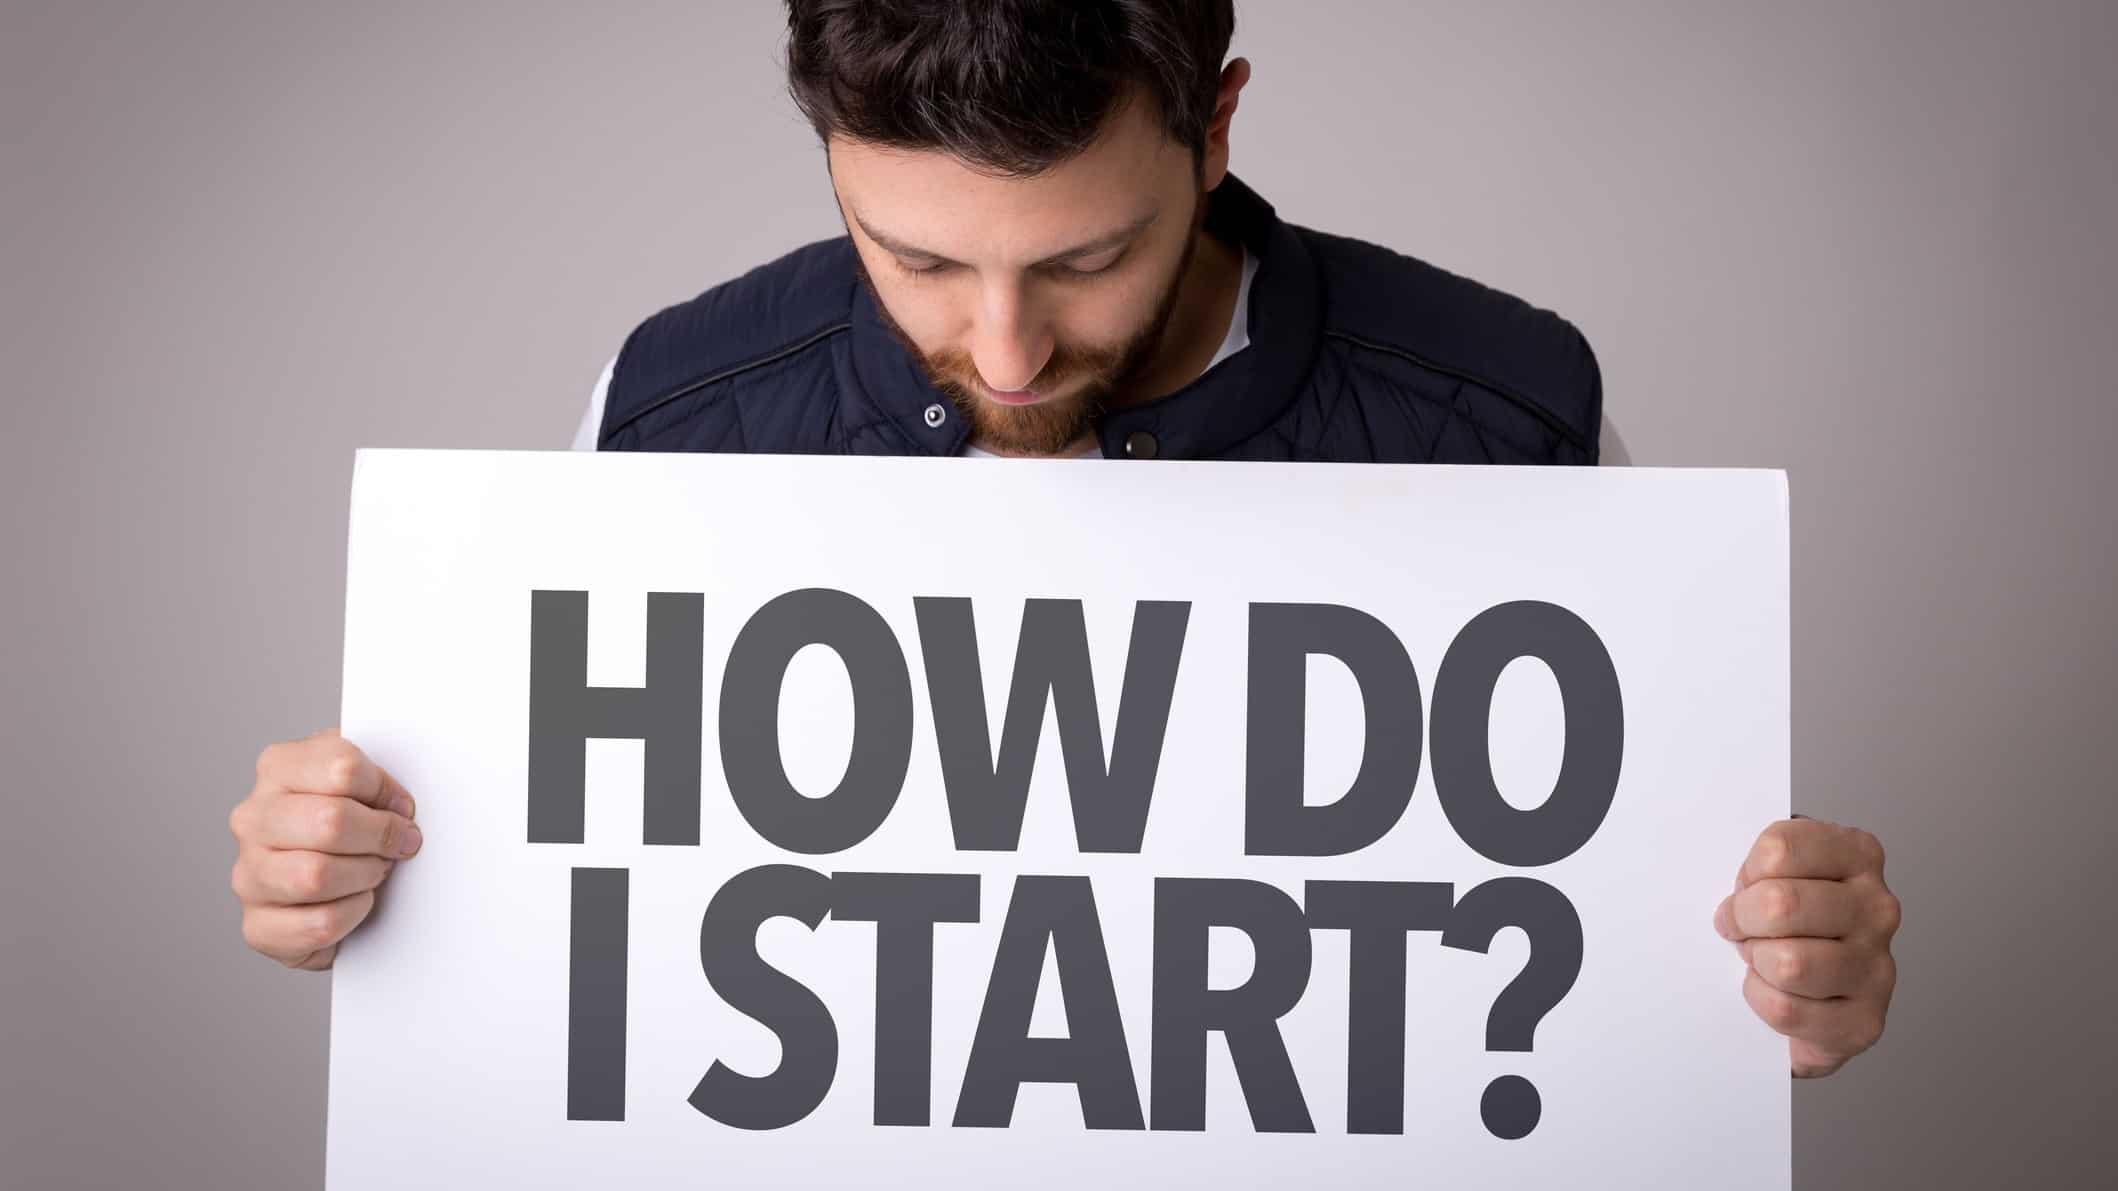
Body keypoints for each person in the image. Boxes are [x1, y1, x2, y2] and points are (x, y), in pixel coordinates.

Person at [226, 0, 1898, 1079]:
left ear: (1216, 125)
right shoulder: (671, 412)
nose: (1008, 351)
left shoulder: (1504, 408)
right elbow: (565, 950)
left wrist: (1778, 971)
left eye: (1086, 258)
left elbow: (1619, 962)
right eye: (920, 261)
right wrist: (354, 883)